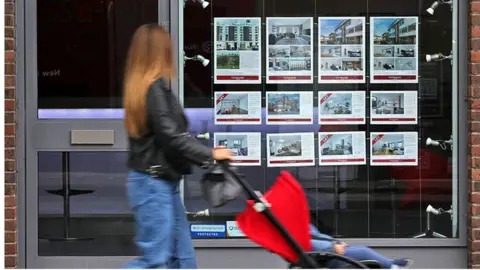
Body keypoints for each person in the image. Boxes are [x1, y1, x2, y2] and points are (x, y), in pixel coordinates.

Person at [123, 24, 232, 269]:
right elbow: (172, 138)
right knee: (154, 263)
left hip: (163, 183)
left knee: (183, 262)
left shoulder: (155, 89)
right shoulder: (152, 91)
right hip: (153, 185)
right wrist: (210, 154)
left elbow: (171, 135)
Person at [309, 224, 413, 269]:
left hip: (328, 252)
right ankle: (391, 266)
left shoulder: (301, 226)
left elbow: (319, 238)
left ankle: (389, 262)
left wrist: (336, 243)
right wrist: (332, 247)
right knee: (363, 252)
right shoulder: (298, 229)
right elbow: (311, 243)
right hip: (327, 256)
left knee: (361, 250)